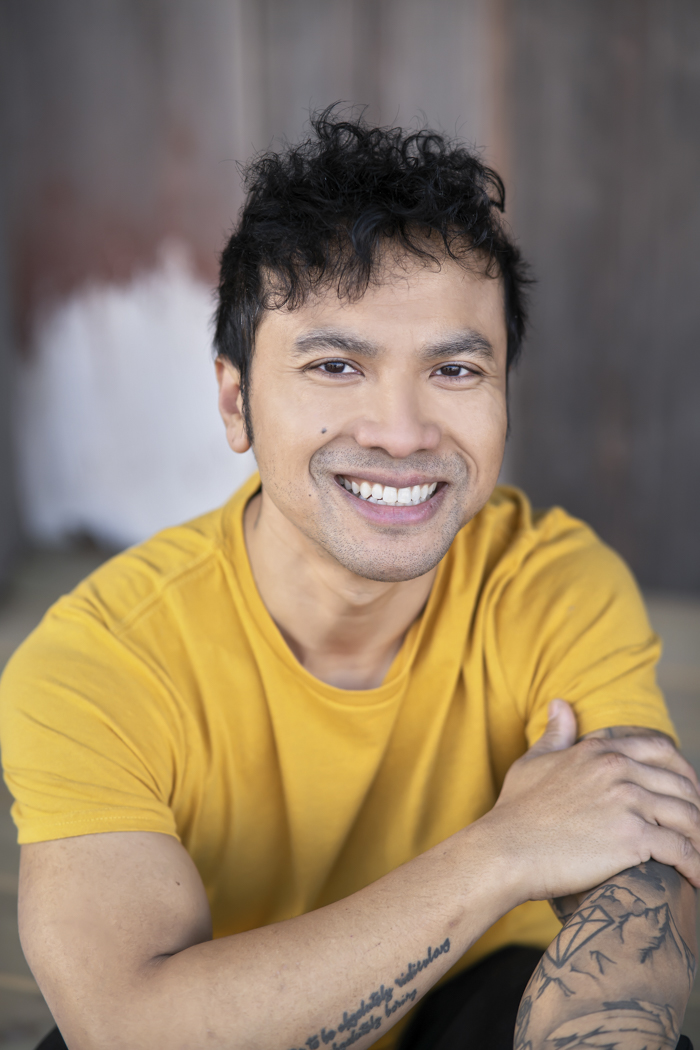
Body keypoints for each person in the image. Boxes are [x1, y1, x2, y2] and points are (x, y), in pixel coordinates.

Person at [0, 111, 697, 1050]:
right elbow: (127, 1028)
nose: (402, 433)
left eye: (455, 369)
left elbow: (643, 894)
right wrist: (504, 851)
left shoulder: (548, 582)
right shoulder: (99, 664)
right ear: (236, 402)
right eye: (336, 365)